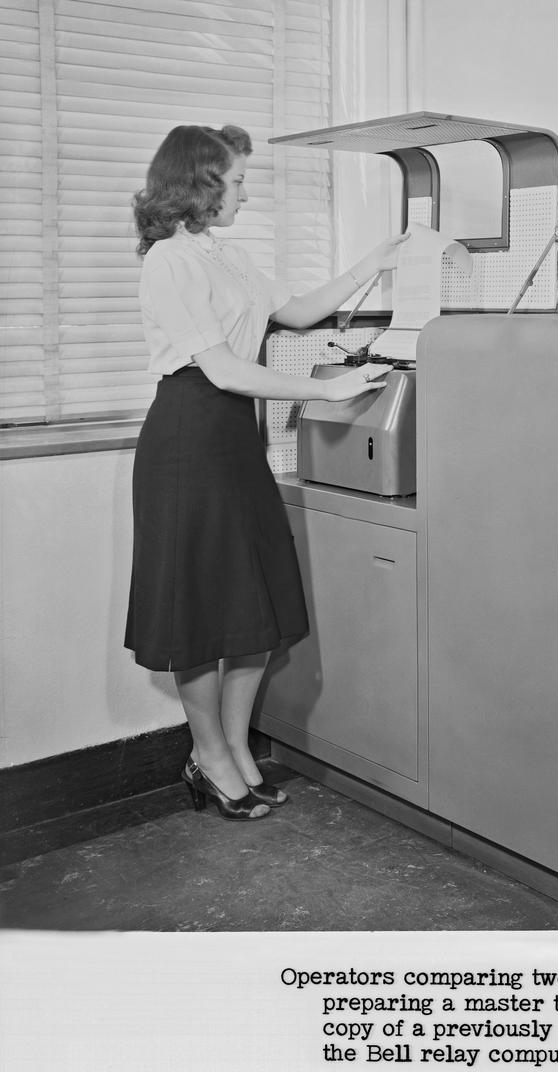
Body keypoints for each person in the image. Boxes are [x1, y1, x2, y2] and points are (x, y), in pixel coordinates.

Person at [124, 124, 409, 821]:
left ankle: (233, 752)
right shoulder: (169, 261)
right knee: (201, 610)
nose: (246, 193)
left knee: (255, 607)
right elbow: (219, 369)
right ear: (200, 182)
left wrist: (378, 258)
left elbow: (299, 312)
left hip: (233, 437)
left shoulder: (226, 256)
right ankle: (211, 755)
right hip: (190, 437)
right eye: (238, 179)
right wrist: (328, 391)